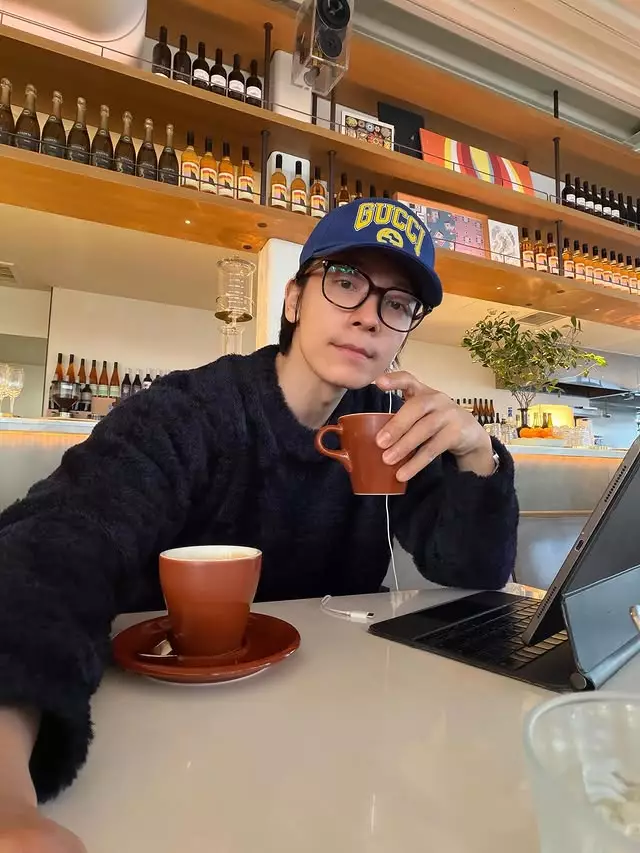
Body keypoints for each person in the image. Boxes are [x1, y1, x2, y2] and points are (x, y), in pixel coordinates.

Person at [0, 198, 518, 850]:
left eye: (398, 303)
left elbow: (471, 572)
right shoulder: (194, 411)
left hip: (341, 728)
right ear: (295, 299)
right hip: (170, 732)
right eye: (347, 282)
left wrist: (477, 455)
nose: (368, 315)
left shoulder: (385, 427)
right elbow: (57, 545)